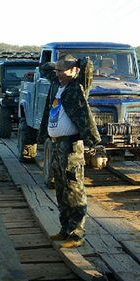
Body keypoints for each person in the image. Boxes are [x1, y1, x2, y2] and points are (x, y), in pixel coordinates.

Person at [38, 54, 101, 248]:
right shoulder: (57, 85)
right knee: (61, 189)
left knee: (74, 189)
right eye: (56, 71)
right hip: (57, 145)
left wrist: (74, 63)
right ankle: (65, 229)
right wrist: (60, 64)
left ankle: (76, 234)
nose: (57, 74)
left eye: (61, 71)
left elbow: (87, 66)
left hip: (71, 146)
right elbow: (44, 67)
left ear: (74, 71)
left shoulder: (77, 87)